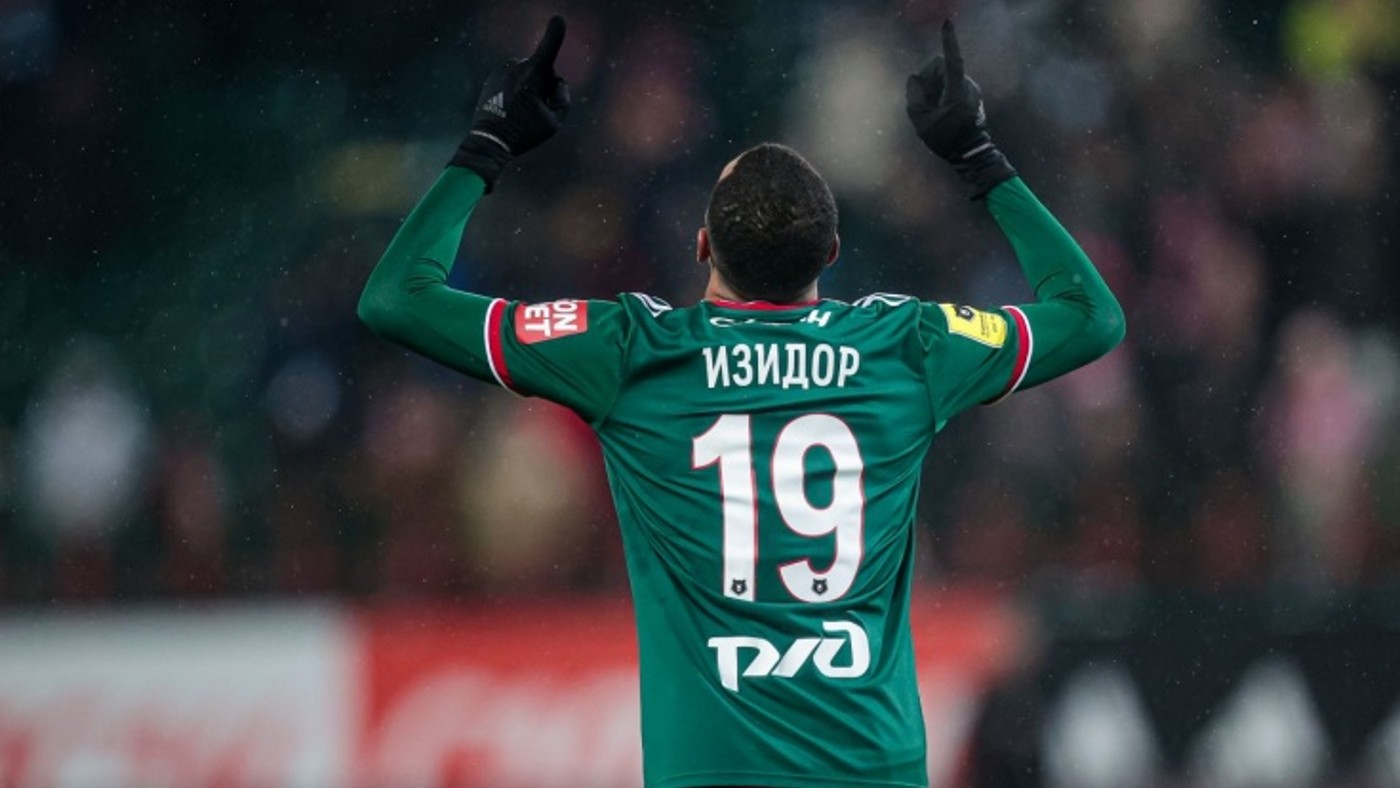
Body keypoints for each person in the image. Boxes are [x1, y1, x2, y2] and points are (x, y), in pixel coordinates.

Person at [358, 14, 1123, 788]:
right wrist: (979, 158)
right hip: (874, 768)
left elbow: (397, 297)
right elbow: (1091, 315)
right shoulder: (905, 346)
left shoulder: (630, 350)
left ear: (701, 246)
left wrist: (488, 143)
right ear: (831, 254)